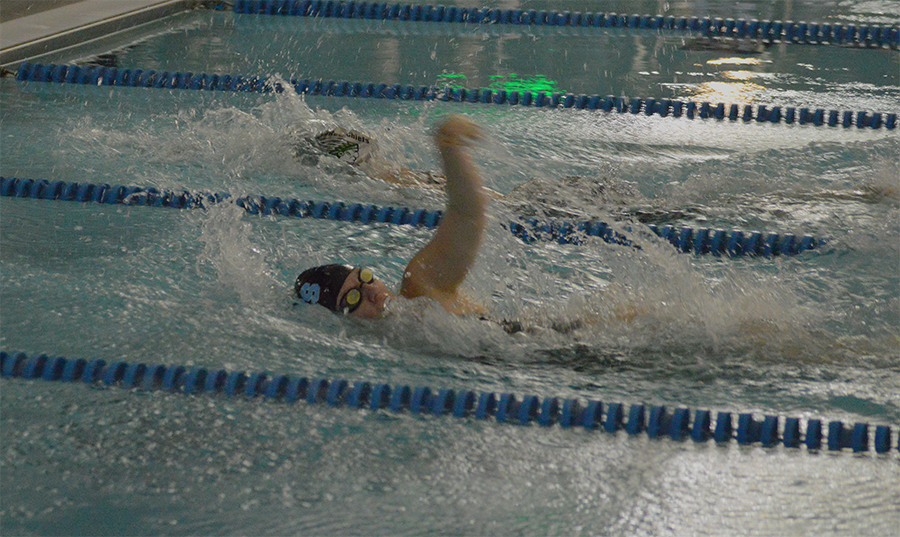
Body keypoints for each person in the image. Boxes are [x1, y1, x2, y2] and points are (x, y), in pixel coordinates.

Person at [295, 115, 489, 319]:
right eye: (352, 298)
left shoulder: (419, 290)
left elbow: (466, 214)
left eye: (365, 277)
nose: (371, 291)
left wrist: (449, 146)